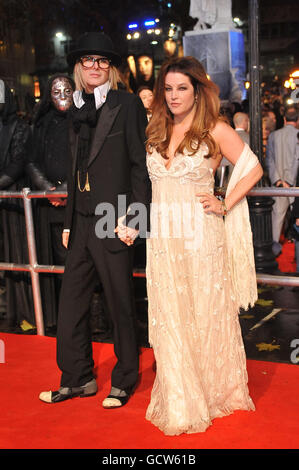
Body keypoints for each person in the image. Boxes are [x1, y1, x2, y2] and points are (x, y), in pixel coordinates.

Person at [145, 56, 263, 435]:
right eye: (169, 88)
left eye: (182, 88)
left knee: (204, 312)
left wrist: (224, 202)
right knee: (171, 315)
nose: (174, 95)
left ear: (197, 92)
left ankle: (214, 389)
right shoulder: (157, 126)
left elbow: (253, 166)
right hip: (163, 237)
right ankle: (181, 396)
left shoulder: (215, 128)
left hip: (200, 234)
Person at [39, 32, 151, 406]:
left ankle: (124, 379)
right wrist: (70, 222)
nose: (94, 67)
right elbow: (74, 171)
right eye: (87, 60)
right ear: (78, 67)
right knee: (70, 304)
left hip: (113, 217)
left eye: (102, 61)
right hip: (83, 219)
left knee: (121, 303)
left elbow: (140, 166)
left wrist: (135, 218)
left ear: (111, 68)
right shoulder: (75, 108)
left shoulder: (127, 104)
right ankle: (77, 378)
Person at [27, 74, 75, 328]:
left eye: (67, 91)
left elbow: (89, 159)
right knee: (58, 264)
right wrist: (48, 190)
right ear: (49, 94)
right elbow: (31, 161)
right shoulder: (41, 124)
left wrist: (68, 190)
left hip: (79, 203)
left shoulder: (81, 120)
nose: (63, 97)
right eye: (57, 92)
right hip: (50, 206)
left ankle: (94, 320)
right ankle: (63, 319)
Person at [0, 79, 34, 328]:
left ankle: (23, 314)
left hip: (12, 200)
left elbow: (19, 161)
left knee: (18, 256)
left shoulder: (20, 126)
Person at [266, 107, 299, 257]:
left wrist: (278, 180)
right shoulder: (297, 135)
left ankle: (273, 252)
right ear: (297, 121)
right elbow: (296, 160)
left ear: (284, 119)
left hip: (278, 184)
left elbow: (269, 160)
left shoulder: (273, 135)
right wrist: (289, 181)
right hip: (294, 184)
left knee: (277, 219)